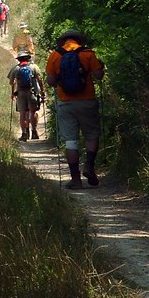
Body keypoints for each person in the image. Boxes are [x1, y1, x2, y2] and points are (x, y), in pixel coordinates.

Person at [45, 29, 105, 189]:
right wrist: (101, 67)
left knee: (71, 141)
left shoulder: (55, 55)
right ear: (79, 40)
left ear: (63, 41)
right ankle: (89, 167)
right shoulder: (88, 54)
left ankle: (75, 179)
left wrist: (59, 78)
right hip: (87, 101)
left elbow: (50, 81)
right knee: (92, 135)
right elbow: (98, 76)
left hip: (65, 103)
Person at [8, 50, 45, 141]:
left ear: (19, 59)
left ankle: (24, 133)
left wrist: (13, 93)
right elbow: (40, 80)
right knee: (33, 112)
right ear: (28, 58)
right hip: (32, 92)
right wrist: (42, 93)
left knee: (22, 114)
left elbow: (11, 82)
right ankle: (34, 132)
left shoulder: (15, 68)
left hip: (20, 93)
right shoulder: (34, 67)